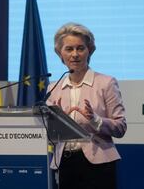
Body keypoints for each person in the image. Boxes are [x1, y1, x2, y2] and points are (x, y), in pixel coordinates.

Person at [47, 23, 127, 189]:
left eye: (80, 48)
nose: (75, 54)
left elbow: (120, 127)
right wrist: (58, 122)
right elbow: (50, 134)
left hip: (99, 164)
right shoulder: (53, 88)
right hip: (65, 163)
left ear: (89, 51)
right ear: (60, 54)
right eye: (69, 49)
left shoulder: (106, 83)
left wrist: (95, 119)